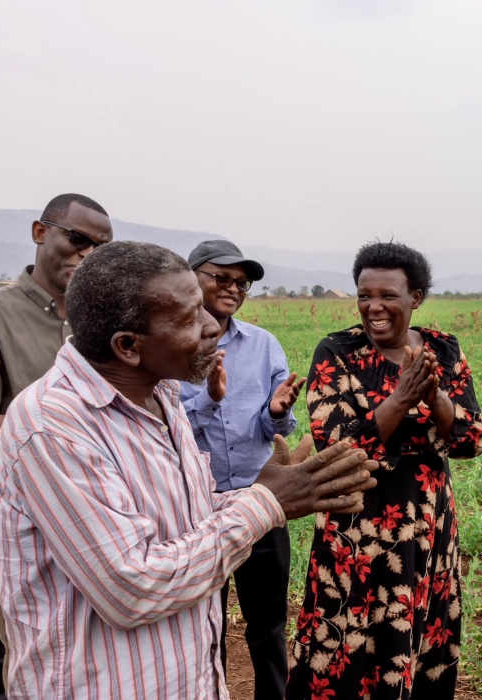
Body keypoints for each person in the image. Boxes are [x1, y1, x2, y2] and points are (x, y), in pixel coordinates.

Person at [0, 241, 378, 699]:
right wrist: (264, 502)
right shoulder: (54, 429)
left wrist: (277, 494)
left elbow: (179, 516)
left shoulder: (162, 395)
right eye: (191, 316)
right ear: (129, 347)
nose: (213, 326)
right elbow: (132, 587)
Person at [287, 241, 482, 700]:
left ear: (415, 297)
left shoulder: (443, 349)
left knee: (420, 624)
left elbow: (472, 439)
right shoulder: (337, 351)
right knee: (347, 631)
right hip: (359, 518)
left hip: (427, 519)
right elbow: (334, 444)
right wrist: (399, 401)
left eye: (388, 296)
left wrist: (435, 397)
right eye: (364, 295)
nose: (373, 307)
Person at [0, 193, 114, 699]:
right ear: (40, 233)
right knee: (4, 639)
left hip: (95, 498)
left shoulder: (99, 322)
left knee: (82, 636)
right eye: (76, 239)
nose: (86, 255)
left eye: (100, 249)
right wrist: (71, 422)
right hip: (7, 506)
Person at [178, 239, 304, 700]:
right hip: (195, 509)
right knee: (202, 627)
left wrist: (275, 411)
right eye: (222, 277)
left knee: (268, 625)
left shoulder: (263, 345)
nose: (233, 288)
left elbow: (276, 424)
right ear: (191, 277)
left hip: (258, 502)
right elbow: (166, 431)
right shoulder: (170, 345)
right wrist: (210, 398)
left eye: (242, 282)